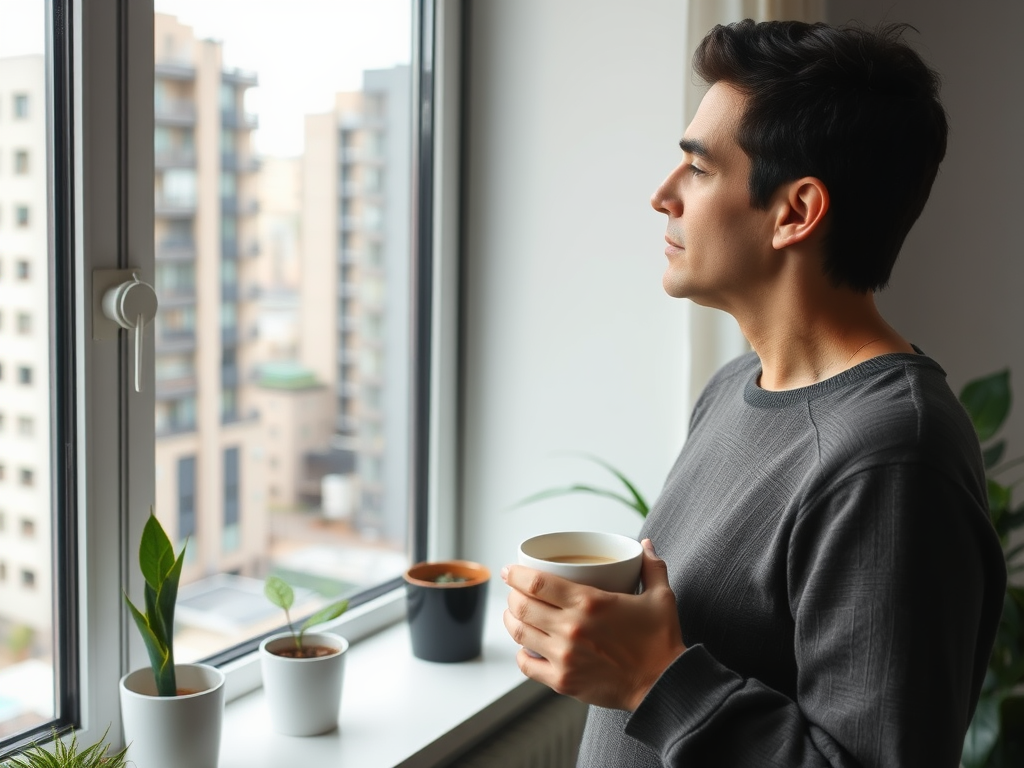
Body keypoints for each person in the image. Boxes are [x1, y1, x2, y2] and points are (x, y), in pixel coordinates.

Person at [501, 18, 1007, 768]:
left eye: (699, 170)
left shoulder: (893, 456)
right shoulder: (737, 385)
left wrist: (653, 680)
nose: (661, 195)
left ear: (795, 212)